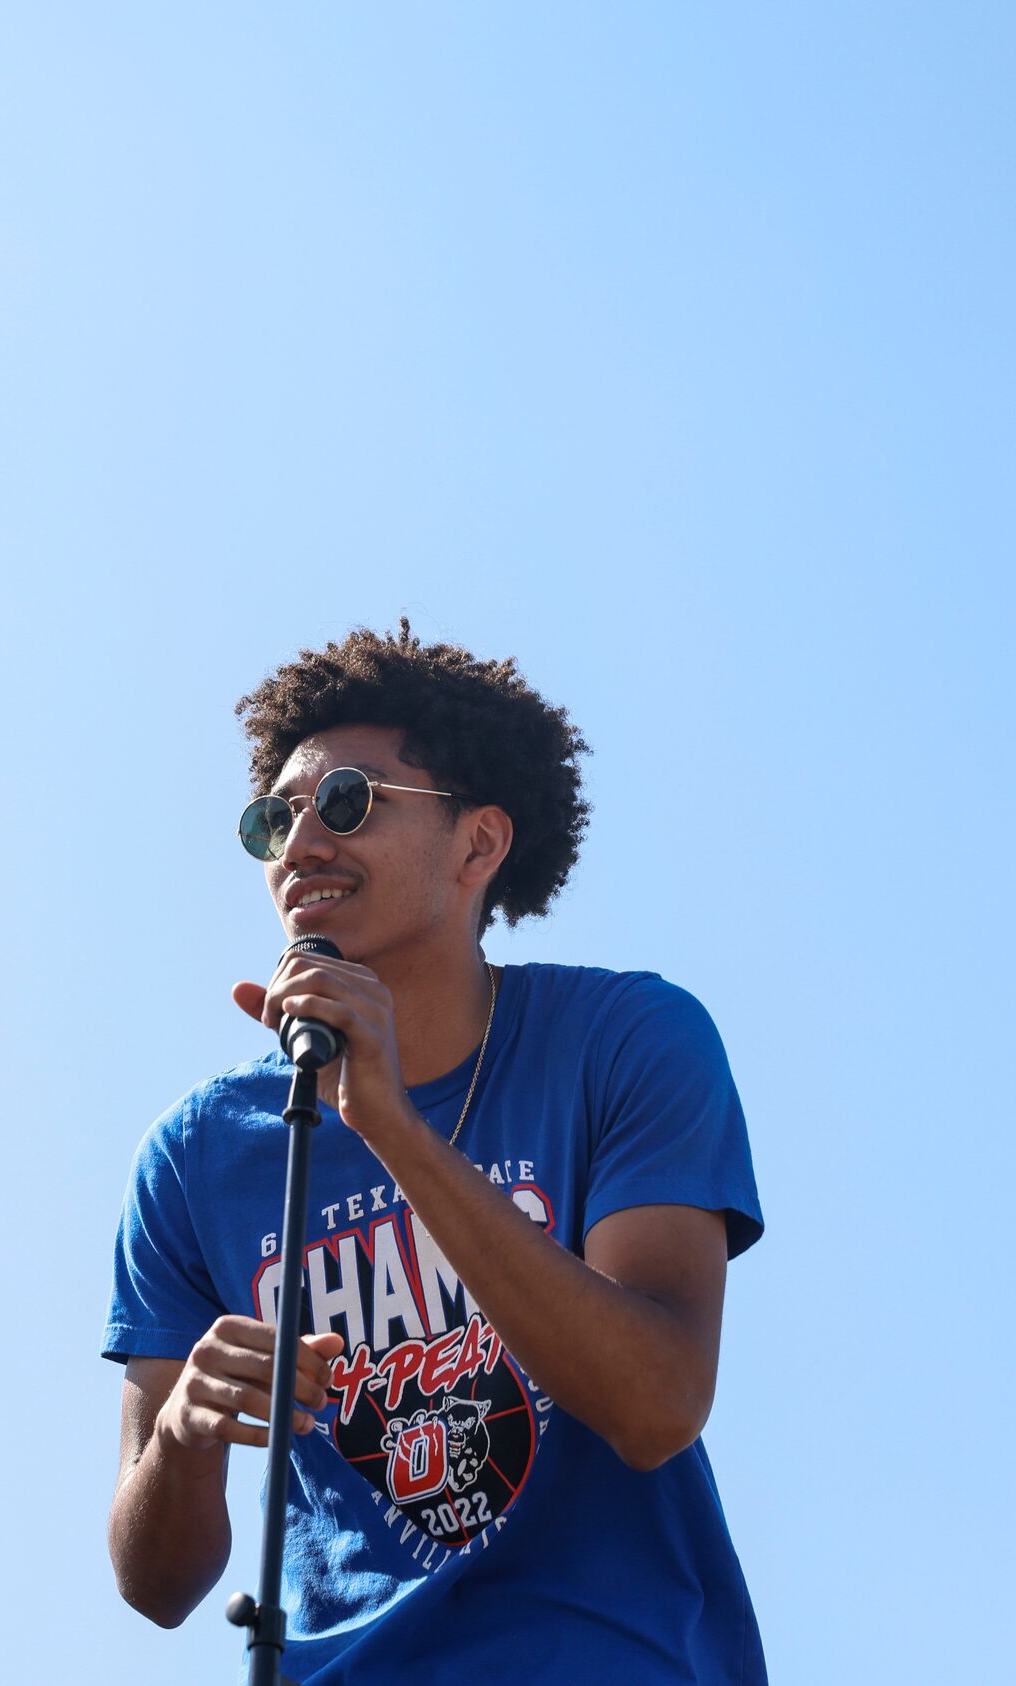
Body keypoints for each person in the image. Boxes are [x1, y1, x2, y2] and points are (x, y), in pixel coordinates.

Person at [104, 623, 766, 1683]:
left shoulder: (625, 1041)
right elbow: (154, 1585)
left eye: (350, 804)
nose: (301, 845)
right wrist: (182, 1436)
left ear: (477, 846)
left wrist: (392, 1130)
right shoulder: (195, 1157)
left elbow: (656, 1405)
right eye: (274, 819)